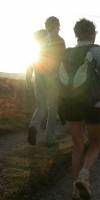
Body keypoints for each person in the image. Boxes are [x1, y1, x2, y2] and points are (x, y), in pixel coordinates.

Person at [61, 18, 100, 199]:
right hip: (94, 104)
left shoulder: (66, 53)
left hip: (70, 103)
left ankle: (74, 190)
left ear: (76, 34)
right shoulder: (99, 52)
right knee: (95, 144)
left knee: (77, 146)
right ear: (93, 34)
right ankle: (84, 175)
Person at [27, 16, 66, 145]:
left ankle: (34, 126)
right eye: (58, 25)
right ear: (57, 26)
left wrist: (29, 76)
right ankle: (50, 139)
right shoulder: (60, 40)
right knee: (53, 108)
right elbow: (62, 60)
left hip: (39, 75)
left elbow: (34, 58)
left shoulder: (41, 39)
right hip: (52, 77)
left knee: (41, 106)